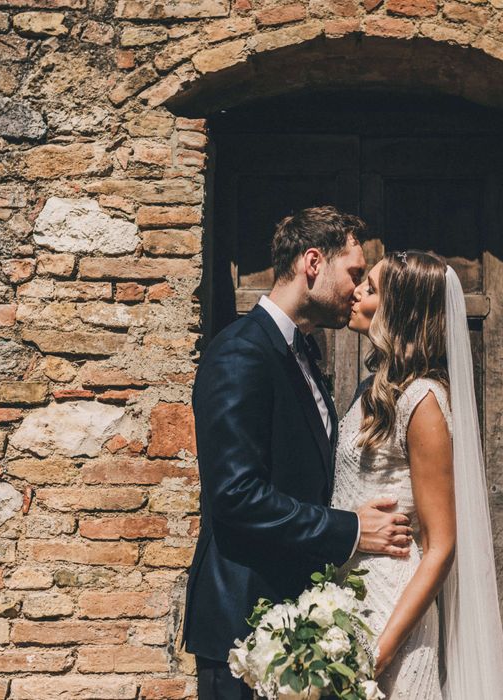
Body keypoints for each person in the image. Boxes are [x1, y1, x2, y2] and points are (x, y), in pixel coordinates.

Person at [183, 207, 414, 700]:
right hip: (242, 627)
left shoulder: (304, 353)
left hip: (297, 619)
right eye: (354, 273)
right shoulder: (241, 353)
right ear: (313, 262)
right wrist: (350, 529)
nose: (358, 290)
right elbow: (236, 496)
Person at [333, 250, 503, 698]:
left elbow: (441, 545)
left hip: (394, 615)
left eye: (370, 288)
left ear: (398, 310)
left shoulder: (423, 400)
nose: (355, 293)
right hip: (347, 600)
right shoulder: (371, 390)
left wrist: (381, 653)